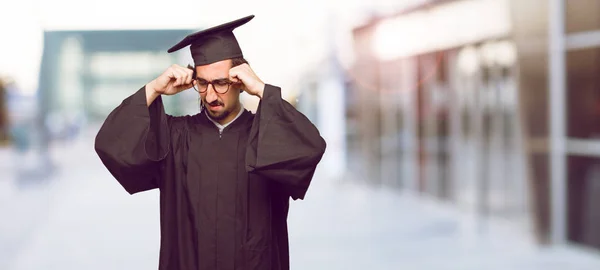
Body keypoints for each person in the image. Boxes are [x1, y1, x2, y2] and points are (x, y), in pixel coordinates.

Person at [94, 15, 326, 270]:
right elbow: (110, 143)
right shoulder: (175, 138)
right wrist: (154, 89)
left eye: (221, 83)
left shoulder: (266, 137)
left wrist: (262, 89)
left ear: (240, 80)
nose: (211, 95)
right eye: (203, 84)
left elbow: (311, 148)